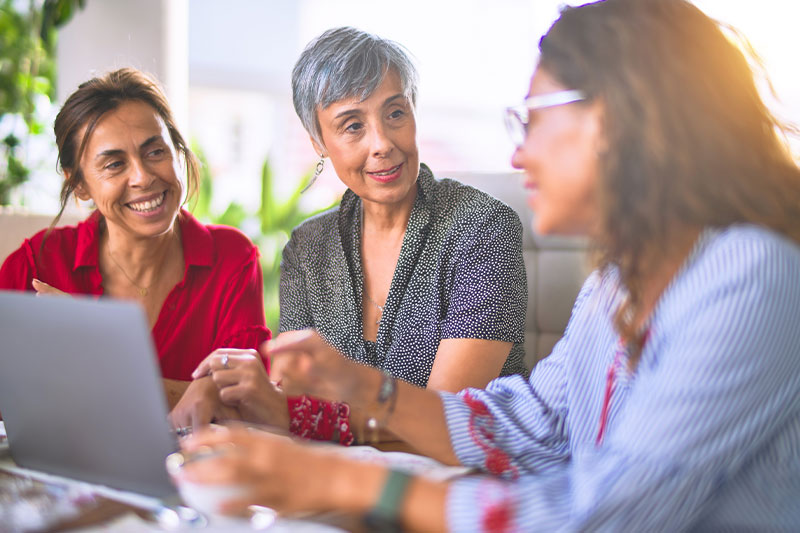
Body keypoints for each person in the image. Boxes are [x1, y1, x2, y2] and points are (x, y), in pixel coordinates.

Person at [174, 0, 800, 530]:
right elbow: (535, 423)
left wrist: (342, 483)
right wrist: (361, 387)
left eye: (533, 119)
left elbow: (606, 511)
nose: (519, 152)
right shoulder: (618, 283)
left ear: (616, 121)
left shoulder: (751, 272)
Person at [175, 27, 528, 442]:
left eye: (395, 113)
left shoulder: (482, 228)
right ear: (318, 142)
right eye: (352, 126)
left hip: (458, 489)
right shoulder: (307, 249)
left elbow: (446, 427)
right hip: (330, 480)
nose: (381, 143)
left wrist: (294, 414)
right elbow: (297, 397)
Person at [0, 68, 270, 419]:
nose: (142, 177)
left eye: (155, 151)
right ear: (79, 184)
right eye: (114, 164)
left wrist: (94, 359)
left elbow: (249, 410)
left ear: (176, 150)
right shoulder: (37, 264)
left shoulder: (232, 260)